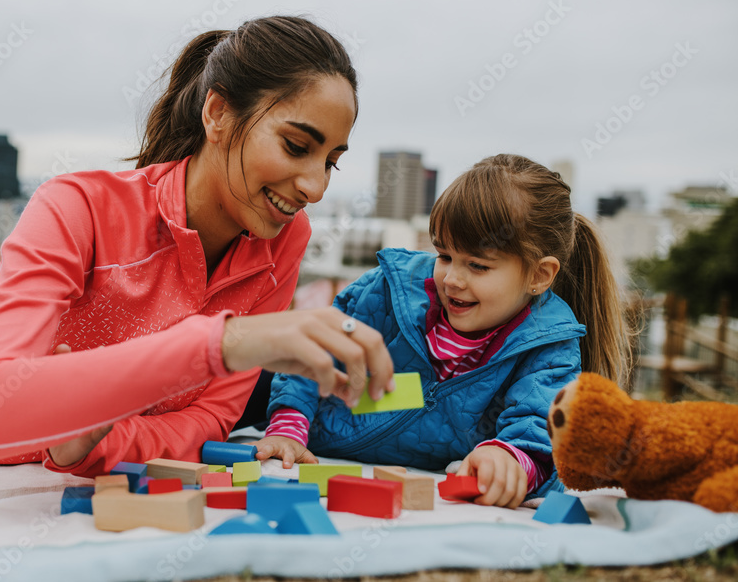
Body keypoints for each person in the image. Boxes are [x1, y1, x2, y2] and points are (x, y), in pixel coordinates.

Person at [0, 16, 395, 477]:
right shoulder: (78, 205)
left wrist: (91, 441)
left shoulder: (284, 239)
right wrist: (225, 341)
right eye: (297, 147)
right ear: (217, 113)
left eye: (332, 163)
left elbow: (208, 419)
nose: (314, 185)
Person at [256, 154, 629, 508]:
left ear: (538, 275)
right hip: (313, 448)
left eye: (478, 266)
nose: (452, 279)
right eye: (445, 256)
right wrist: (288, 425)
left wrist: (510, 461)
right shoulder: (388, 289)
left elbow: (539, 430)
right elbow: (314, 352)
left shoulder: (549, 345)